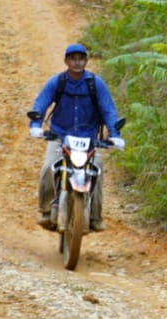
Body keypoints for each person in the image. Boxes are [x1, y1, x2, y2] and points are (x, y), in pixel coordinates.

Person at [27, 44, 124, 232]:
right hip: (60, 136)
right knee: (49, 167)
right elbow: (40, 104)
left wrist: (115, 135)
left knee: (97, 170)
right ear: (66, 61)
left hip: (88, 139)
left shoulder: (96, 84)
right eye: (73, 58)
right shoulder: (57, 82)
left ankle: (95, 216)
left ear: (86, 61)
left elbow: (108, 110)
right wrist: (36, 126)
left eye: (81, 58)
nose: (77, 62)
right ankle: (46, 210)